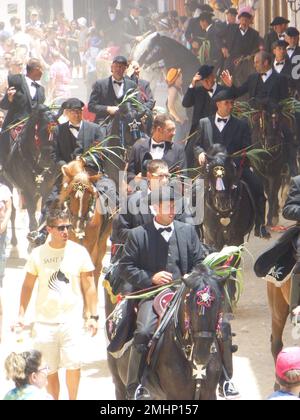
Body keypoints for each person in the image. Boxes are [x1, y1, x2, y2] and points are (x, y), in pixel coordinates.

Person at [117, 185, 209, 399]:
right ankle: (135, 385)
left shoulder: (187, 231)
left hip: (184, 294)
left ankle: (224, 378)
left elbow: (200, 262)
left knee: (215, 327)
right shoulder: (138, 235)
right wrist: (151, 278)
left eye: (173, 205)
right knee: (143, 332)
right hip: (152, 295)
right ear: (154, 208)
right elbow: (125, 267)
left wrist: (191, 278)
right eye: (167, 205)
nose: (172, 209)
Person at [14, 209, 98, 400]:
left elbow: (90, 286)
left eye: (68, 227)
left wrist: (93, 316)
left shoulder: (79, 252)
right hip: (44, 323)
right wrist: (21, 314)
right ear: (50, 229)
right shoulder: (37, 254)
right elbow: (27, 286)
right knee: (49, 370)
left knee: (73, 365)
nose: (66, 231)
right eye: (61, 228)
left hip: (71, 321)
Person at [191, 87, 269, 239]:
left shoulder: (242, 124)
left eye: (232, 103)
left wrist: (234, 163)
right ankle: (196, 230)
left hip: (235, 168)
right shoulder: (204, 123)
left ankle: (260, 225)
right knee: (193, 192)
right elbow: (197, 144)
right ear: (218, 104)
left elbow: (247, 148)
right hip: (210, 170)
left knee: (258, 186)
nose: (230, 106)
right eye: (227, 103)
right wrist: (200, 153)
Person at [28, 97, 104, 246]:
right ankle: (42, 233)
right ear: (66, 113)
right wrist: (65, 167)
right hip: (67, 176)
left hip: (89, 175)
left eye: (79, 111)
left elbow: (100, 153)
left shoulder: (95, 129)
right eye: (73, 112)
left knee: (109, 197)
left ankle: (113, 237)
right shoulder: (58, 130)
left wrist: (85, 161)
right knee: (51, 200)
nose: (77, 114)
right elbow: (54, 155)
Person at [0, 58, 45, 166]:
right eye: (41, 69)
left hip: (33, 128)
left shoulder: (41, 90)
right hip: (15, 127)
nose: (43, 72)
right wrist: (9, 99)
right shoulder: (16, 81)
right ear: (35, 69)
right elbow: (4, 105)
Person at [182, 64, 223, 169]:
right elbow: (185, 103)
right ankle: (189, 182)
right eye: (204, 81)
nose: (207, 83)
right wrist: (192, 84)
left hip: (218, 129)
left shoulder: (223, 90)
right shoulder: (197, 91)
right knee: (188, 155)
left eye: (208, 79)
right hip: (198, 131)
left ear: (213, 76)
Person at [127, 114, 186, 183]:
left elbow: (183, 177)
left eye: (174, 129)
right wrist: (135, 178)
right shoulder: (138, 146)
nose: (174, 133)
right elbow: (129, 174)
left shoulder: (178, 150)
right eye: (170, 130)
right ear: (159, 129)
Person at [88, 55, 137, 125]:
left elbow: (136, 106)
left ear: (125, 69)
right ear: (111, 68)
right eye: (116, 66)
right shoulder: (100, 84)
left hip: (126, 122)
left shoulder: (132, 85)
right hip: (104, 121)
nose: (118, 69)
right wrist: (108, 109)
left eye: (121, 67)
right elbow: (91, 106)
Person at [166, 68, 189, 144]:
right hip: (177, 123)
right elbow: (170, 106)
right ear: (176, 79)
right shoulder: (173, 89)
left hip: (181, 122)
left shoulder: (177, 89)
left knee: (181, 144)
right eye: (180, 78)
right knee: (177, 144)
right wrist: (178, 119)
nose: (182, 81)